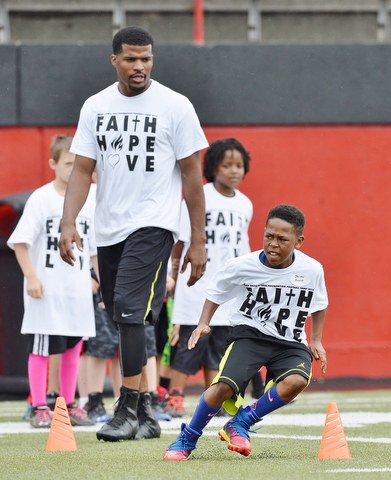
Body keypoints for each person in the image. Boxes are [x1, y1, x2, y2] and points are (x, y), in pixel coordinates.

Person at [58, 25, 209, 442]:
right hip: (108, 228)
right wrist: (69, 222)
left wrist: (197, 239)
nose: (139, 66)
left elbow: (193, 174)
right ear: (115, 61)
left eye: (146, 59)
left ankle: (124, 408)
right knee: (126, 314)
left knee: (127, 307)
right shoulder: (95, 106)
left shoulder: (175, 105)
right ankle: (145, 411)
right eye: (131, 59)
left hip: (155, 223)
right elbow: (83, 170)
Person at [163, 204, 328, 460]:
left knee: (297, 380)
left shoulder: (312, 269)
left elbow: (319, 305)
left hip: (290, 340)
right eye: (269, 236)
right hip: (250, 335)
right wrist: (203, 322)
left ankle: (241, 422)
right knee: (223, 388)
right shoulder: (242, 265)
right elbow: (216, 291)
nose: (273, 244)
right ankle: (188, 437)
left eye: (282, 239)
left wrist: (315, 339)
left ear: (299, 241)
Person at [7, 134, 96, 428]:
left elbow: (94, 247)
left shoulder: (90, 197)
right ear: (53, 164)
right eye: (69, 163)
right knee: (43, 348)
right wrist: (31, 276)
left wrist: (96, 277)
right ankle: (40, 405)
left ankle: (68, 404)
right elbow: (20, 242)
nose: (74, 168)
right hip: (47, 289)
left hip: (78, 291)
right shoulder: (42, 198)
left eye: (79, 163)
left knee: (73, 348)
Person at [166, 138, 253, 418]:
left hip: (229, 291)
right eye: (227, 165)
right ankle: (174, 398)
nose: (234, 171)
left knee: (220, 350)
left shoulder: (245, 204)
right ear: (212, 166)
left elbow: (243, 248)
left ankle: (212, 400)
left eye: (239, 165)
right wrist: (173, 269)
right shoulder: (198, 196)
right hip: (197, 285)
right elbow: (181, 239)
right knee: (190, 346)